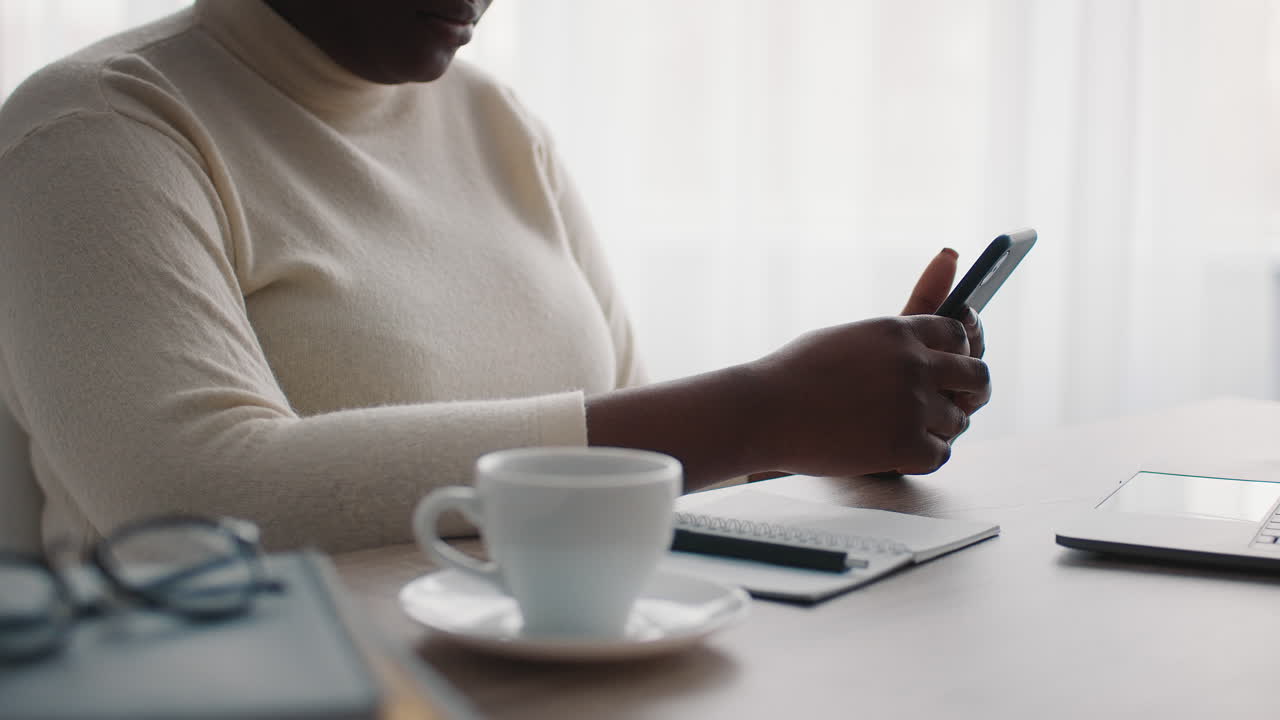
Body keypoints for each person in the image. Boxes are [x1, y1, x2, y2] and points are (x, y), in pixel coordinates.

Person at [0, 0, 990, 554]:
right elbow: (191, 500)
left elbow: (626, 430)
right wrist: (755, 416)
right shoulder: (100, 129)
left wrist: (829, 428)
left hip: (550, 674)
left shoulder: (491, 120)